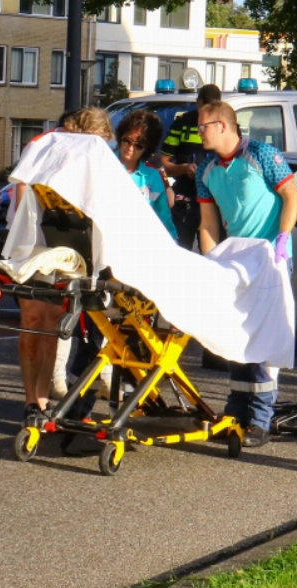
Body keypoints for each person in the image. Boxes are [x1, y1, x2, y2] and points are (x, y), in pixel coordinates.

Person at [195, 99, 297, 447]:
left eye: (203, 126)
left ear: (223, 125)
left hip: (270, 258)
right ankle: (237, 411)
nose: (199, 132)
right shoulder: (206, 169)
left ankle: (260, 419)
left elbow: (292, 196)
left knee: (265, 337)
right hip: (237, 262)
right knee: (236, 335)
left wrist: (283, 238)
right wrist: (210, 261)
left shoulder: (262, 155)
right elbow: (208, 222)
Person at [15, 107, 115, 428]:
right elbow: (21, 188)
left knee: (50, 326)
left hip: (71, 248)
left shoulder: (95, 157)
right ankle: (31, 401)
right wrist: (23, 235)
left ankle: (41, 403)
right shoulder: (45, 144)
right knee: (32, 321)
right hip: (34, 243)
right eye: (96, 140)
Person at [162, 84, 221, 249]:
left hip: (215, 201)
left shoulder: (226, 126)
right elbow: (164, 163)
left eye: (213, 108)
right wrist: (184, 169)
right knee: (180, 253)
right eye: (204, 107)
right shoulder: (182, 124)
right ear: (198, 102)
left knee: (213, 256)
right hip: (185, 202)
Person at [116, 109, 178, 240]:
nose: (130, 148)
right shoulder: (102, 165)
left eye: (139, 145)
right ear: (120, 136)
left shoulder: (154, 176)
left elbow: (163, 219)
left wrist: (173, 243)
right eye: (127, 140)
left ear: (147, 148)